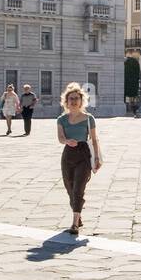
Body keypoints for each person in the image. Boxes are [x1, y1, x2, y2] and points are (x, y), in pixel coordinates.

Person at [57, 82, 102, 235]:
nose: (74, 101)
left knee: (78, 189)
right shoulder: (61, 120)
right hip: (68, 155)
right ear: (66, 102)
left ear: (82, 101)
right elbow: (60, 138)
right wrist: (67, 141)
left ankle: (75, 223)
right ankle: (79, 213)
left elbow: (94, 140)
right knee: (70, 188)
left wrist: (97, 157)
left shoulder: (89, 118)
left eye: (77, 98)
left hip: (83, 154)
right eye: (71, 99)